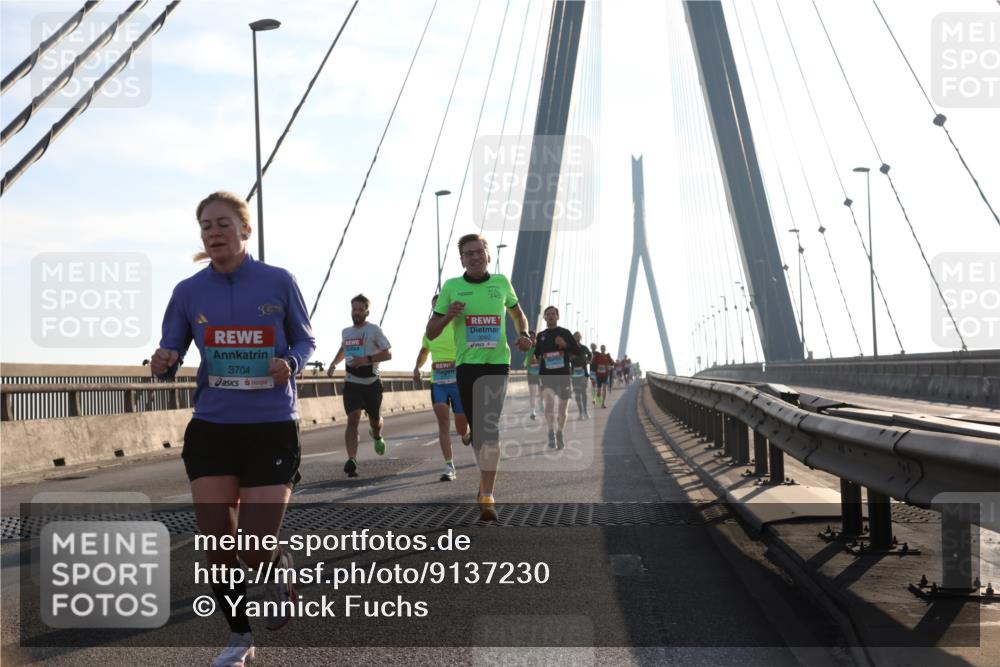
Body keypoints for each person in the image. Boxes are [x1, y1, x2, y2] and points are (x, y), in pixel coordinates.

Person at [151, 191, 315, 667]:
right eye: (206, 226)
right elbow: (169, 352)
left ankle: (276, 564)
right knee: (219, 547)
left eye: (223, 223)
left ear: (246, 230)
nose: (213, 232)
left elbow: (305, 338)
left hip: (270, 426)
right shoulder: (187, 291)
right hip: (212, 427)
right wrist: (163, 361)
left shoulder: (278, 281)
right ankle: (239, 639)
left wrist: (291, 362)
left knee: (253, 546)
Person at [426, 233, 531, 521]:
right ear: (461, 259)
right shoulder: (451, 287)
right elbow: (431, 331)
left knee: (489, 427)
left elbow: (518, 314)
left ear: (488, 255)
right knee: (477, 432)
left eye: (478, 252)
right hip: (467, 368)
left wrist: (523, 334)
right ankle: (484, 483)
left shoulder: (501, 283)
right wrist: (448, 315)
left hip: (497, 365)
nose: (474, 257)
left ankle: (487, 493)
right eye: (468, 253)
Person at [327, 295, 392, 477]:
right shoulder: (346, 332)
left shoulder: (374, 330)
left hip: (372, 384)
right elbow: (344, 349)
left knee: (375, 421)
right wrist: (333, 363)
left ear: (366, 311)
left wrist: (366, 360)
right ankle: (352, 459)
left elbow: (388, 354)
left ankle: (377, 435)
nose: (356, 313)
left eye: (360, 309)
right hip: (352, 383)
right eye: (354, 309)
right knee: (353, 418)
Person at [413, 294, 469, 481]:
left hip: (458, 380)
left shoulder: (457, 327)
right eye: (434, 306)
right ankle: (449, 465)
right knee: (443, 422)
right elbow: (423, 352)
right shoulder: (430, 332)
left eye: (440, 304)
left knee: (461, 427)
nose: (437, 308)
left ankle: (466, 434)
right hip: (438, 382)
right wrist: (417, 367)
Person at [533, 306, 581, 447]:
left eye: (553, 314)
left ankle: (560, 432)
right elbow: (536, 353)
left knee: (562, 409)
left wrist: (565, 344)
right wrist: (534, 358)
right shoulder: (541, 335)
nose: (550, 316)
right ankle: (550, 432)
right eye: (547, 314)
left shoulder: (565, 333)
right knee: (549, 405)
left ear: (558, 316)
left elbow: (577, 351)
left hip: (563, 376)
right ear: (545, 318)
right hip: (547, 376)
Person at [569, 331, 592, 420]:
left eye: (578, 336)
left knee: (583, 392)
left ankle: (585, 411)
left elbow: (590, 354)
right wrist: (573, 358)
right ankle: (580, 412)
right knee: (577, 393)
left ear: (580, 338)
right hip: (574, 373)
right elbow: (568, 358)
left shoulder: (584, 348)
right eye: (575, 336)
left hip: (584, 373)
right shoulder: (570, 348)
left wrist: (588, 360)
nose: (577, 338)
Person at [524, 332, 541, 419]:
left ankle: (542, 405)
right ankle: (533, 411)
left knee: (542, 392)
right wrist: (529, 362)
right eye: (530, 338)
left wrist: (538, 362)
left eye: (533, 338)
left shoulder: (540, 348)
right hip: (531, 373)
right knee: (532, 393)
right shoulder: (528, 350)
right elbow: (525, 363)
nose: (532, 339)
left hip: (540, 374)